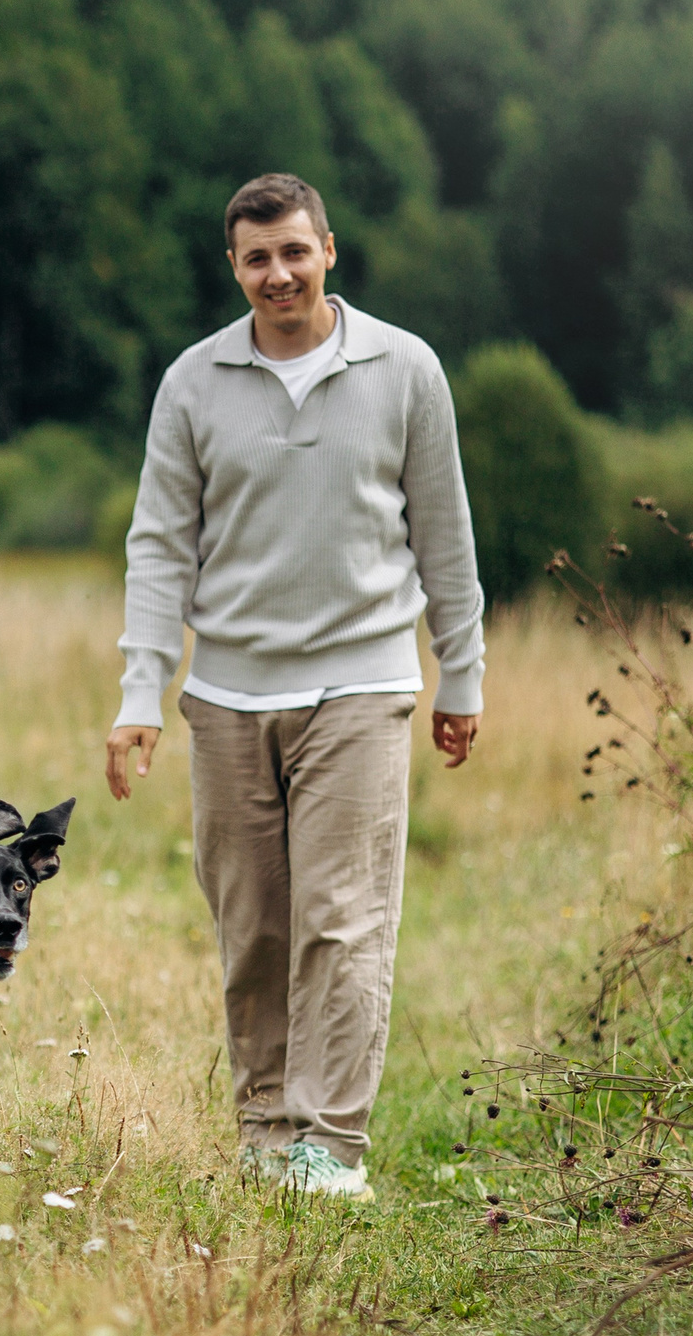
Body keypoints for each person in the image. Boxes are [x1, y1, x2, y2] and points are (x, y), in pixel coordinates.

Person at [106, 172, 484, 1201]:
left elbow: (443, 534)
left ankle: (330, 1148)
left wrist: (463, 671)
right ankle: (266, 1137)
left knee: (339, 916)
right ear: (233, 267)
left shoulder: (405, 370)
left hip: (362, 684)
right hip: (226, 697)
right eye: (256, 258)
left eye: (294, 252)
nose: (278, 273)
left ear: (328, 251)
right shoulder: (192, 382)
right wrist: (142, 694)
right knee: (254, 925)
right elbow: (158, 548)